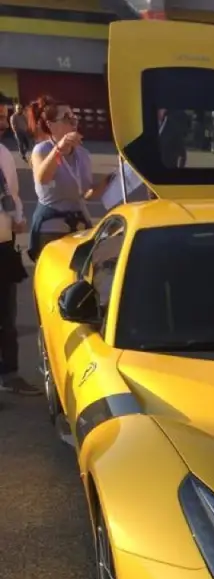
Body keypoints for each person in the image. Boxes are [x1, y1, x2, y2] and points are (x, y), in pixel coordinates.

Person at [27, 95, 112, 262]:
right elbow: (42, 178)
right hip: (51, 228)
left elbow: (87, 193)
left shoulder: (83, 154)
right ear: (51, 126)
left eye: (73, 117)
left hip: (79, 225)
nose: (73, 122)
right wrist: (59, 148)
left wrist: (108, 181)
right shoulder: (42, 149)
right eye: (66, 118)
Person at [0, 105, 40, 396]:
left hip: (3, 244)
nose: (3, 123)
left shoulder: (3, 154)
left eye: (3, 118)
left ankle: (10, 374)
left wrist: (19, 217)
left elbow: (12, 194)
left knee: (7, 316)